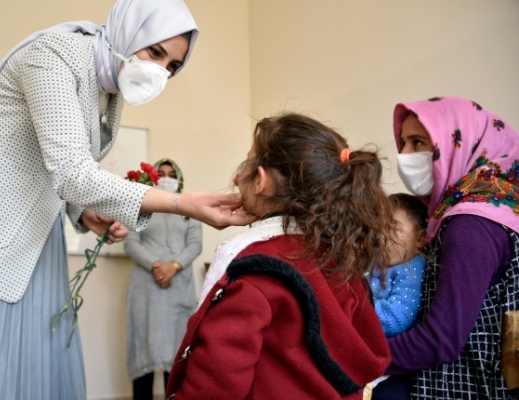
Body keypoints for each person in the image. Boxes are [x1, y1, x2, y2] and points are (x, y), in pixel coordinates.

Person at [0, 1, 253, 399]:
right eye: (155, 52)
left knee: (28, 368)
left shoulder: (108, 90)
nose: (159, 71)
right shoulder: (54, 55)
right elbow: (71, 172)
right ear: (128, 30)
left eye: (171, 66)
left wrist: (86, 212)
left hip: (29, 239)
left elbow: (53, 170)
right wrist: (181, 203)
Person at [166, 112, 393, 399]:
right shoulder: (342, 259)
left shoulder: (256, 271)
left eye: (247, 162)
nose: (236, 179)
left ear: (261, 180)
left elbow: (214, 386)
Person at [381, 96, 519, 399]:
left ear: (461, 144)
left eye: (418, 142)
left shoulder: (471, 225)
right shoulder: (500, 207)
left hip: (463, 387)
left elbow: (439, 340)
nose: (404, 155)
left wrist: (353, 358)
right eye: (402, 143)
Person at [123, 158, 202, 400]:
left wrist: (174, 266)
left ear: (179, 180)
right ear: (153, 178)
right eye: (161, 173)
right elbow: (130, 242)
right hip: (147, 289)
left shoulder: (190, 209)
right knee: (144, 349)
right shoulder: (141, 207)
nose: (167, 178)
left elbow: (196, 245)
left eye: (172, 174)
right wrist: (156, 265)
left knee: (177, 355)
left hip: (179, 287)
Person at [369, 193, 427, 338]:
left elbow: (393, 319)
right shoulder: (377, 263)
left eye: (392, 230)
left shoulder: (413, 271)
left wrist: (350, 307)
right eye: (378, 229)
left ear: (420, 238)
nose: (381, 237)